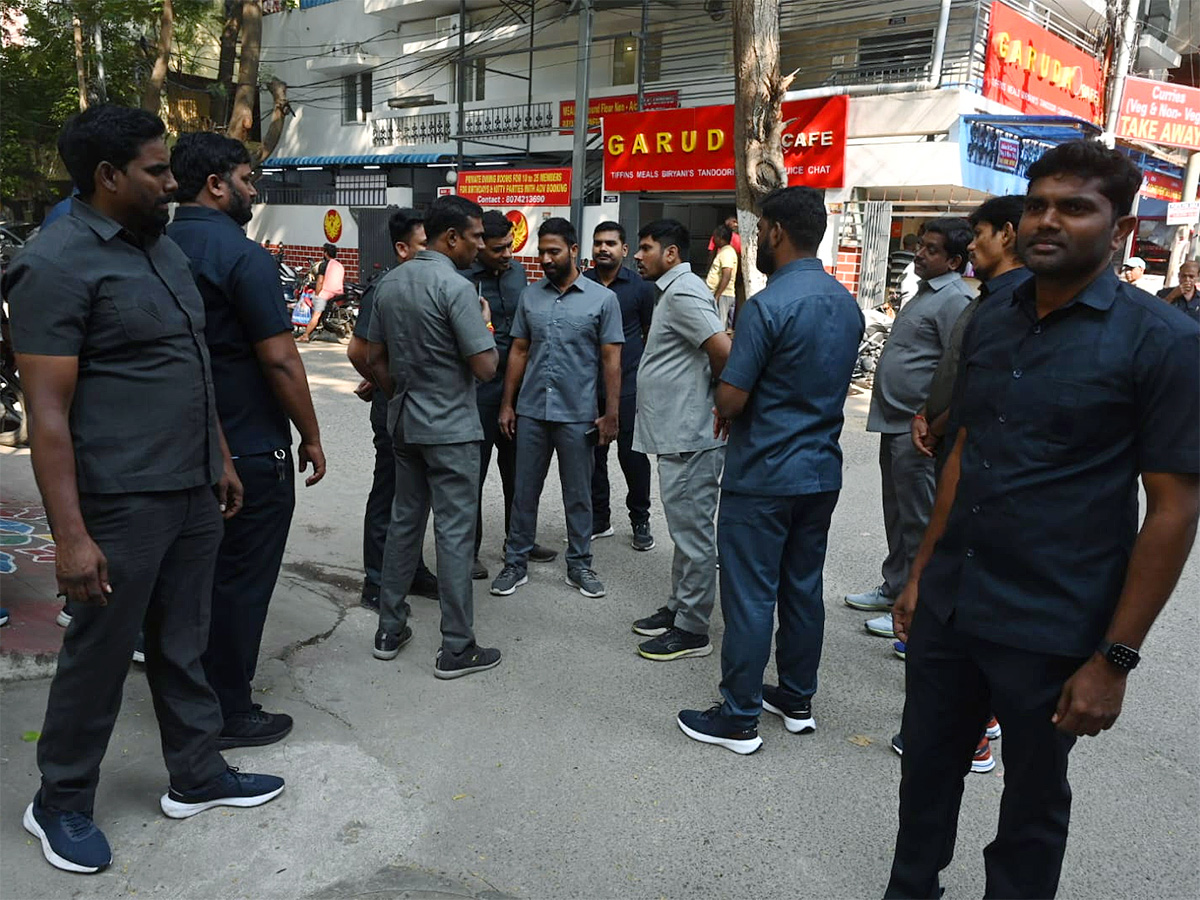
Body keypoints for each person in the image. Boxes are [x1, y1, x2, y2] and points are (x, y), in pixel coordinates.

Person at [885, 140, 1199, 899]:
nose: (1047, 221)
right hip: (954, 602)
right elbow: (965, 450)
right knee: (927, 769)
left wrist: (1114, 660)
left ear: (1120, 230)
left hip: (1054, 618)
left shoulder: (1164, 341)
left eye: (1074, 207)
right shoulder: (995, 315)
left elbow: (1174, 509)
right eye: (1037, 205)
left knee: (1031, 799)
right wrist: (922, 572)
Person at [4, 104, 284, 874]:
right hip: (120, 500)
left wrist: (220, 458)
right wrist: (70, 537)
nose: (171, 183)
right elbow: (48, 415)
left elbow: (191, 366)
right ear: (107, 176)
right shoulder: (55, 264)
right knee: (96, 659)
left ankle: (196, 776)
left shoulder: (160, 250)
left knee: (184, 641)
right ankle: (58, 801)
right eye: (157, 171)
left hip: (193, 488)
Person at [677, 186, 864, 754]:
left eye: (760, 231)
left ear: (778, 232)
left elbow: (732, 399)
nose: (756, 240)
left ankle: (738, 718)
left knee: (751, 594)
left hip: (762, 476)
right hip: (819, 472)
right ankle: (797, 697)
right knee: (802, 588)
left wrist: (724, 399)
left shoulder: (767, 305)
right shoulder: (845, 303)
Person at [167, 133, 327, 748]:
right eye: (247, 178)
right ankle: (228, 711)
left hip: (180, 446)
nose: (254, 190)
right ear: (216, 183)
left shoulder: (155, 246)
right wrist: (311, 435)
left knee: (190, 580)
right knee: (240, 581)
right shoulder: (243, 257)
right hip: (251, 448)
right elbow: (282, 360)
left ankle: (184, 697)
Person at [368, 196, 502, 678]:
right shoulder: (456, 287)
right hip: (451, 429)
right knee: (453, 532)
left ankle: (389, 627)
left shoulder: (391, 281)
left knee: (405, 522)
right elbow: (486, 368)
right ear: (450, 238)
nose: (479, 245)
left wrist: (397, 391)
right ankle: (457, 647)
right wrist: (484, 324)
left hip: (405, 422)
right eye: (474, 237)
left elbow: (371, 357)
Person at [844, 218, 974, 640]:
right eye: (921, 246)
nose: (919, 253)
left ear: (954, 260)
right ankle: (894, 585)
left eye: (931, 250)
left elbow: (954, 369)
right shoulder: (923, 292)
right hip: (894, 419)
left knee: (919, 517)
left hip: (917, 426)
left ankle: (917, 606)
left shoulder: (954, 298)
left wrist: (928, 416)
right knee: (896, 510)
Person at [490, 217, 624, 600]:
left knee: (578, 493)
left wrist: (610, 413)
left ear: (573, 251)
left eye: (554, 251)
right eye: (542, 251)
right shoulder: (531, 297)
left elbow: (612, 361)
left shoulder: (603, 300)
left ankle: (579, 564)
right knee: (523, 491)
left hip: (578, 413)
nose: (546, 258)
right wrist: (507, 404)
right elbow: (518, 350)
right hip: (532, 410)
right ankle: (515, 562)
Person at [629, 219, 731, 660]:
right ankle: (679, 608)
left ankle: (692, 629)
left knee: (692, 536)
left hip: (691, 435)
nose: (637, 254)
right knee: (685, 530)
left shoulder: (686, 291)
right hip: (677, 433)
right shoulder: (676, 291)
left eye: (646, 247)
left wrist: (722, 405)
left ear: (671, 254)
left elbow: (723, 350)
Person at [347, 210, 440, 609]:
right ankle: (376, 580)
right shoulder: (384, 288)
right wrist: (388, 386)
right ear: (402, 249)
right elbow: (358, 351)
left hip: (424, 411)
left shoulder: (430, 285)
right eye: (424, 246)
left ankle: (411, 569)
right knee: (389, 493)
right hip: (395, 411)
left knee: (416, 496)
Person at [459, 210, 557, 579]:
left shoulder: (517, 273)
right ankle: (467, 552)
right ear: (480, 245)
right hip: (478, 390)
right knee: (474, 473)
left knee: (520, 471)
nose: (507, 255)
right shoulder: (461, 277)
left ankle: (520, 541)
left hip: (518, 388)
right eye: (499, 249)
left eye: (510, 247)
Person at [584, 221, 656, 551]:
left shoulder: (640, 288)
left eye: (610, 243)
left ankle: (640, 518)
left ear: (623, 250)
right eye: (598, 243)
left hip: (628, 385)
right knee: (593, 458)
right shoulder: (581, 284)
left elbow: (648, 331)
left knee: (632, 456)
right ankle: (600, 519)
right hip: (588, 387)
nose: (603, 248)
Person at [298, 242, 344, 341]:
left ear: (325, 253)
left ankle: (305, 335)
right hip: (339, 293)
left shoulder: (324, 265)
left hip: (327, 293)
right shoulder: (339, 265)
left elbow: (320, 282)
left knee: (316, 314)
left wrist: (318, 294)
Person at [706, 223, 739, 329]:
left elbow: (727, 274)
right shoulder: (723, 251)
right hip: (721, 294)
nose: (713, 239)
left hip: (724, 295)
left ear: (720, 238)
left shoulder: (727, 253)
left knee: (719, 326)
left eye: (715, 236)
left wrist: (717, 295)